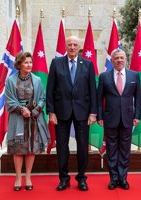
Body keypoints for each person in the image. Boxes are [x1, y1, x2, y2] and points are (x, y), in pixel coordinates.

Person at [46, 35, 97, 191]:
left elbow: (92, 91)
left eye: (75, 44)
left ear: (79, 47)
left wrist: (93, 113)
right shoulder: (56, 63)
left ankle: (81, 178)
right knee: (62, 146)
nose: (73, 47)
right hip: (61, 112)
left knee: (83, 146)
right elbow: (50, 89)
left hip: (83, 112)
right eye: (70, 45)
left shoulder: (88, 64)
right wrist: (51, 112)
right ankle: (63, 178)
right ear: (66, 47)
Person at [5, 52, 50, 191]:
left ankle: (28, 177)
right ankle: (18, 178)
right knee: (18, 149)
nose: (29, 65)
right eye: (26, 62)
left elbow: (42, 98)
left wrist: (35, 111)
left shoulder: (36, 80)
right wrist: (22, 109)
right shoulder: (11, 80)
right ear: (19, 64)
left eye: (30, 62)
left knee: (31, 149)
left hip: (34, 118)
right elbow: (9, 100)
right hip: (18, 118)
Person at [97, 49, 141, 190]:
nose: (119, 60)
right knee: (111, 149)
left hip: (128, 118)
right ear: (112, 60)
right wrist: (100, 116)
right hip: (110, 118)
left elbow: (138, 98)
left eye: (122, 58)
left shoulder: (134, 75)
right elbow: (99, 99)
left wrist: (137, 115)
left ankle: (123, 178)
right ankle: (113, 178)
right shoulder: (104, 77)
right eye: (116, 58)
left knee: (125, 150)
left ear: (126, 59)